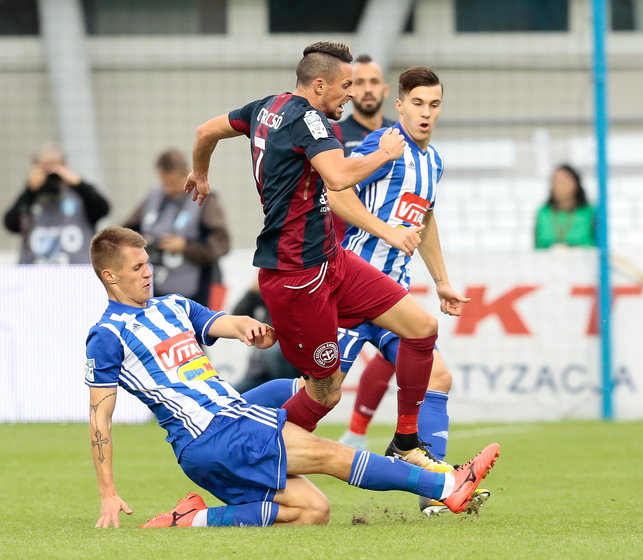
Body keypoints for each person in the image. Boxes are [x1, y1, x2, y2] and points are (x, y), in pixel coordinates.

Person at [85, 226, 499, 529]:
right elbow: (99, 421)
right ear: (110, 276)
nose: (148, 272)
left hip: (215, 441)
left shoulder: (172, 306)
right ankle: (447, 487)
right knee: (328, 454)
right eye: (137, 267)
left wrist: (250, 327)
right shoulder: (107, 336)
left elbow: (223, 322)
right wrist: (107, 493)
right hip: (213, 433)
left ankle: (192, 519)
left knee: (312, 512)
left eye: (147, 263)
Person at [185, 41, 448, 472]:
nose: (350, 93)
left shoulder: (265, 107)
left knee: (422, 328)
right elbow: (340, 176)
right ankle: (246, 452)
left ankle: (405, 440)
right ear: (320, 85)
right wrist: (385, 152)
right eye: (346, 85)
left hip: (332, 260)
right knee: (324, 392)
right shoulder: (312, 121)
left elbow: (204, 132)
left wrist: (201, 172)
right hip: (297, 275)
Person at [329, 67, 481, 516]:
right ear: (400, 106)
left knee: (438, 375)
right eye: (417, 104)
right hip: (353, 288)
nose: (426, 113)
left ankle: (431, 492)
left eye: (434, 105)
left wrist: (441, 281)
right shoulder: (383, 144)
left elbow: (424, 219)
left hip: (391, 296)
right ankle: (243, 424)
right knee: (320, 393)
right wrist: (386, 232)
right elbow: (336, 192)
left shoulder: (433, 161)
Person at [123, 149, 230, 307]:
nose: (169, 189)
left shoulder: (205, 200)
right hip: (155, 290)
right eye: (165, 183)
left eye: (173, 183)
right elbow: (126, 232)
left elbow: (221, 245)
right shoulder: (154, 196)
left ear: (187, 174)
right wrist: (142, 242)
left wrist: (185, 247)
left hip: (197, 294)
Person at [3, 143, 109, 264]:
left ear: (66, 166)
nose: (51, 173)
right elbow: (10, 224)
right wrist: (29, 191)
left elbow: (103, 209)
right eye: (45, 167)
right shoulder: (29, 199)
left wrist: (79, 184)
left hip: (78, 274)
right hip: (34, 275)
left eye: (56, 166)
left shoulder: (80, 196)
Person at [331, 53, 396, 241]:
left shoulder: (400, 135)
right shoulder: (332, 135)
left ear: (385, 90)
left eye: (374, 82)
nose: (367, 89)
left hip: (389, 248)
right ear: (349, 89)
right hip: (344, 248)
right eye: (359, 82)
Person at [534, 164, 596, 249]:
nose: (559, 186)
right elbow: (539, 246)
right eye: (555, 181)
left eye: (563, 181)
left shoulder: (589, 212)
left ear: (576, 183)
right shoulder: (543, 213)